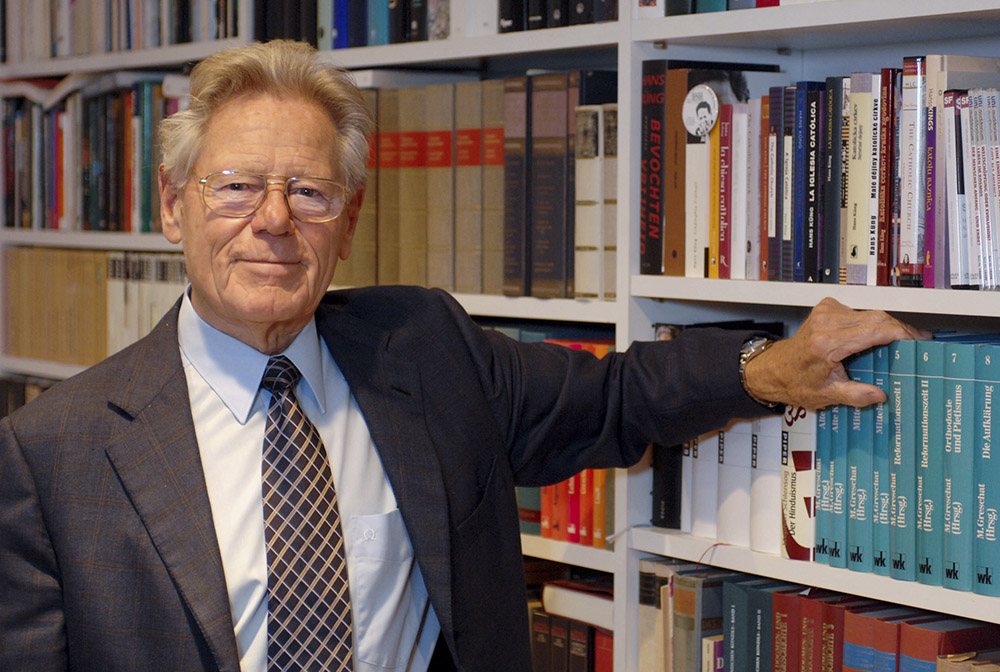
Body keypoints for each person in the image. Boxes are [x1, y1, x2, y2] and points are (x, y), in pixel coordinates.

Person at [0, 41, 927, 672]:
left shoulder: (424, 349)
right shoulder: (54, 453)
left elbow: (611, 400)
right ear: (172, 207)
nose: (275, 221)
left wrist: (768, 368)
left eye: (311, 192)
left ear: (350, 221)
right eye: (237, 186)